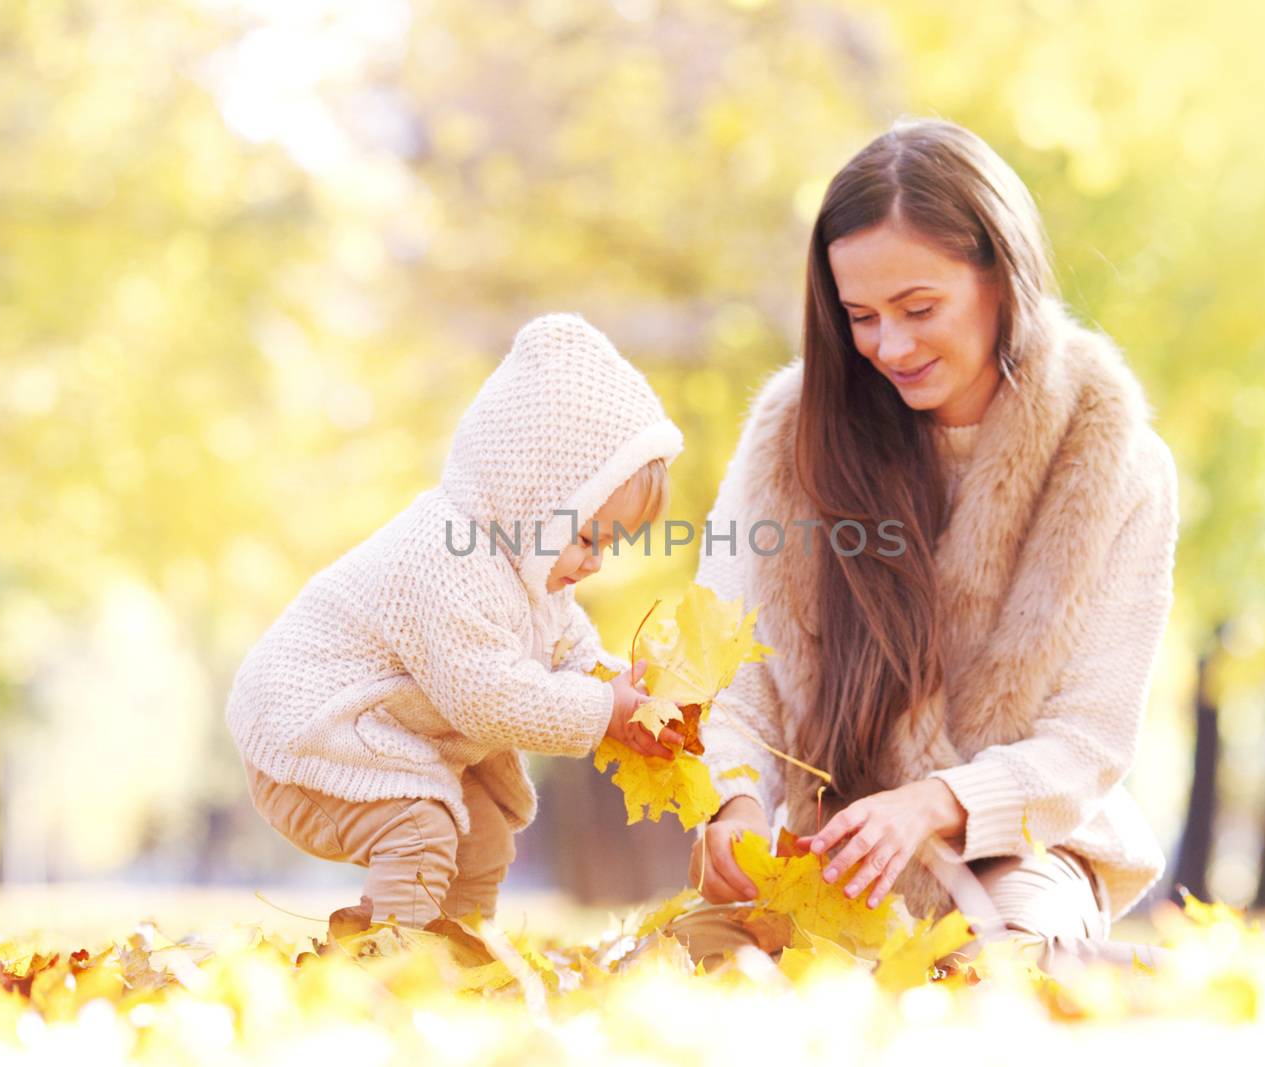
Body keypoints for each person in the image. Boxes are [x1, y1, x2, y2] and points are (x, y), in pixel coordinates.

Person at [689, 118, 1178, 954]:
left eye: (920, 308)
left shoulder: (1112, 454)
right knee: (697, 969)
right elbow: (731, 675)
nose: (890, 346)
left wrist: (935, 803)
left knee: (998, 962)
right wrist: (732, 802)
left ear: (1002, 275)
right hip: (834, 856)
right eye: (861, 316)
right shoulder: (787, 440)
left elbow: (1088, 741)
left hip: (1027, 848)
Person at [227, 313, 685, 928]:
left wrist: (625, 694)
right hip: (311, 733)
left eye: (610, 545)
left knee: (483, 841)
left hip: (391, 745)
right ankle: (396, 974)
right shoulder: (444, 555)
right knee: (419, 834)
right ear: (527, 497)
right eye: (584, 537)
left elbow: (573, 654)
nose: (596, 563)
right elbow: (488, 698)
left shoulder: (532, 573)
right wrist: (604, 710)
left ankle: (460, 963)